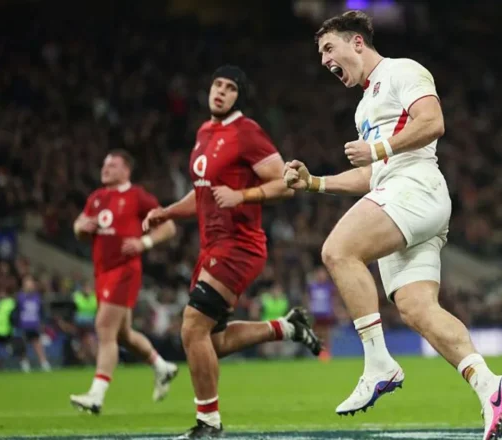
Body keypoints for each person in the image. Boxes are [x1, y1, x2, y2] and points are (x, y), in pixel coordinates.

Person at [284, 11, 502, 440]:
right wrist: (315, 182)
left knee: (338, 250)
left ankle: (378, 364)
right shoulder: (364, 107)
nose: (324, 60)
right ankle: (490, 386)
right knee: (417, 308)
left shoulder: (402, 71)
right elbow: (372, 175)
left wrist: (379, 148)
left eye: (329, 48)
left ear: (357, 43)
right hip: (397, 193)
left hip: (415, 189)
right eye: (320, 54)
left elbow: (433, 123)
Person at [143, 65, 322, 439]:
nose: (221, 91)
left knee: (192, 327)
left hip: (239, 245)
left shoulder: (247, 132)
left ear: (239, 97)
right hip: (212, 246)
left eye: (230, 87)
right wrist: (168, 211)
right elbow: (204, 192)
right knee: (211, 341)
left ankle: (209, 424)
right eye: (217, 84)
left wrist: (243, 195)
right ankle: (287, 327)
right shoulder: (204, 133)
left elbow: (286, 184)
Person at [70, 149, 179, 414]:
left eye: (112, 165)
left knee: (104, 327)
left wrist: (144, 242)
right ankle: (162, 367)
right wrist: (80, 229)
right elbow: (79, 225)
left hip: (124, 270)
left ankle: (96, 395)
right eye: (104, 164)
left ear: (126, 170)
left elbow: (168, 226)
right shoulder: (97, 198)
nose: (105, 169)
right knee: (124, 335)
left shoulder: (137, 196)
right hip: (102, 273)